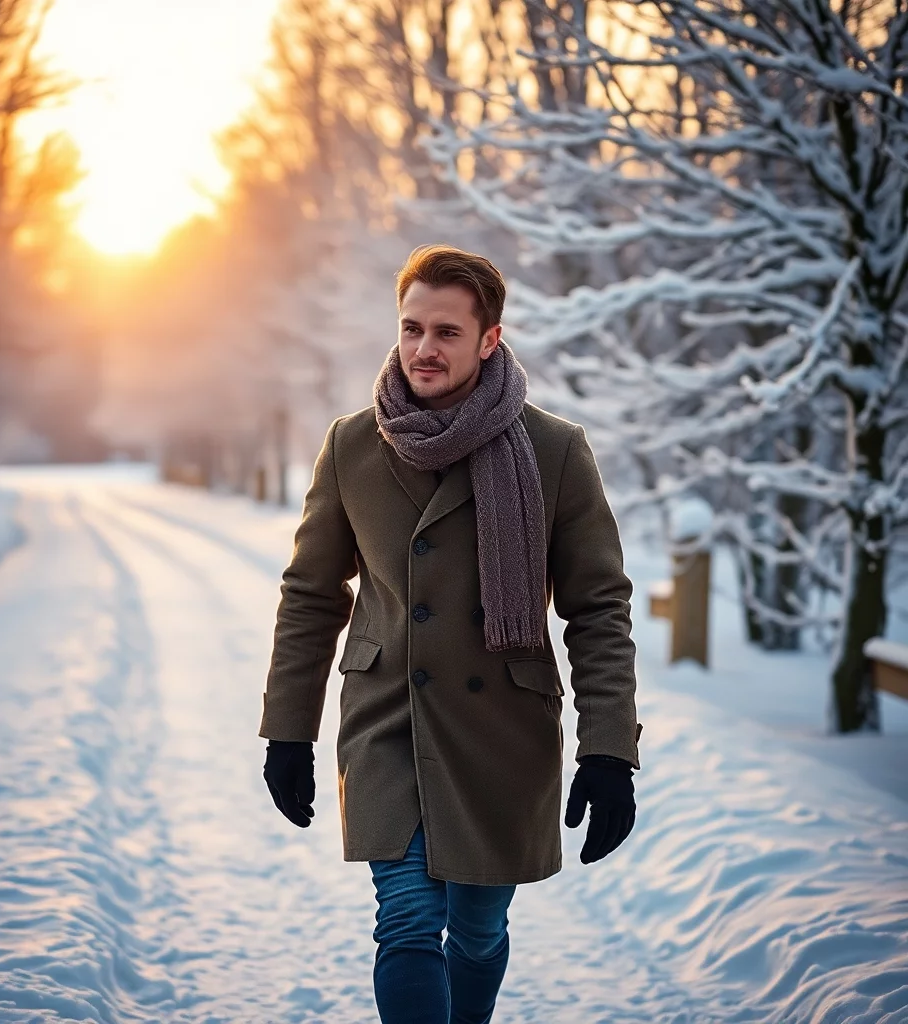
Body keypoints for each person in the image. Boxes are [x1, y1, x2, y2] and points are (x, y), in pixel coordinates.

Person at [259, 244, 642, 1024]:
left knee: (475, 932)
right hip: (387, 720)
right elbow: (309, 596)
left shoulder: (553, 450)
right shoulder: (352, 445)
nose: (423, 349)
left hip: (500, 729)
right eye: (410, 329)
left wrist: (610, 751)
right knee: (404, 925)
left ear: (489, 340)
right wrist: (287, 733)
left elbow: (598, 608)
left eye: (446, 333)